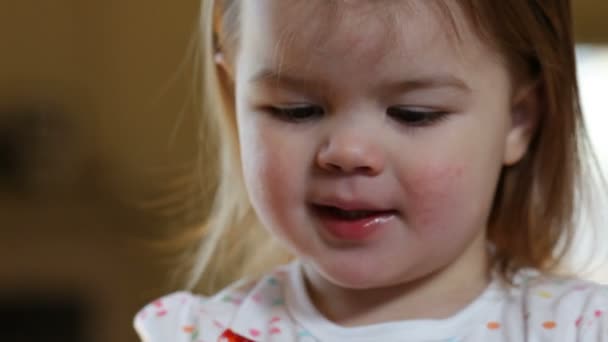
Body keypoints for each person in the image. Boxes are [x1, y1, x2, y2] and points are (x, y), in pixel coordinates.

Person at [134, 0, 608, 340]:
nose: (347, 152)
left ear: (518, 119)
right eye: (295, 110)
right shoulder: (201, 333)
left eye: (413, 114)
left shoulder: (581, 329)